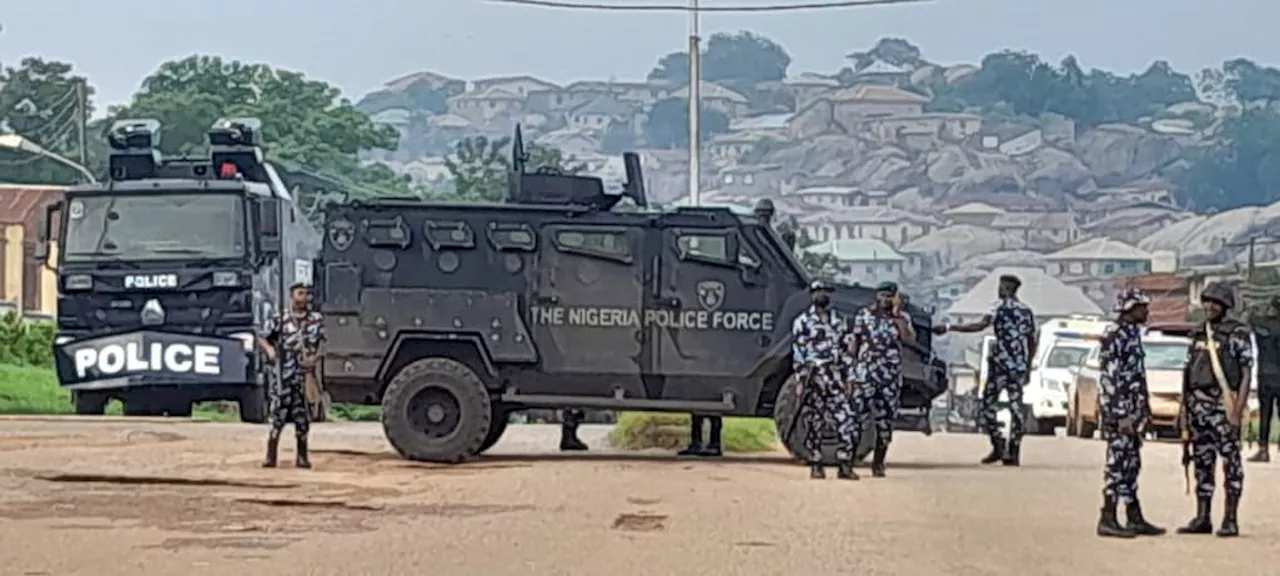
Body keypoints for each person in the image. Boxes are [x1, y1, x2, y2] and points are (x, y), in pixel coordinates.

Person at [934, 274, 1036, 466]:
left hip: (1000, 365)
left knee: (988, 407)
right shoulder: (1026, 311)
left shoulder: (998, 307)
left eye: (1001, 287)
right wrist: (1028, 365)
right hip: (1018, 365)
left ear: (1006, 288)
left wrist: (949, 327)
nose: (999, 290)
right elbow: (1031, 340)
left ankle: (999, 445)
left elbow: (979, 326)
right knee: (1017, 409)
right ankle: (1013, 451)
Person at [1177, 282, 1252, 538]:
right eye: (1206, 301)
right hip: (1197, 407)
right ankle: (1203, 517)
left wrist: (1237, 411)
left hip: (1223, 406)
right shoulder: (1198, 334)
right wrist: (1184, 410)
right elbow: (1187, 374)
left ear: (1225, 306)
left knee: (1231, 465)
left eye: (1215, 302)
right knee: (1202, 463)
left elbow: (1245, 373)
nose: (1209, 306)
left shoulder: (1237, 334)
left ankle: (1230, 519)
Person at [1095, 289, 1166, 538]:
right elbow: (1111, 379)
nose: (1146, 311)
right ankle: (1108, 516)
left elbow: (1136, 378)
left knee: (1131, 464)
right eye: (1141, 307)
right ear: (1129, 309)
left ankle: (1134, 516)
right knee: (1117, 463)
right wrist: (1121, 414)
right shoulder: (1114, 336)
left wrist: (1143, 414)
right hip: (1120, 414)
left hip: (1134, 413)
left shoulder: (1132, 334)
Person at [792, 280, 860, 480]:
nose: (823, 295)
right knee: (815, 422)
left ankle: (845, 464)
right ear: (812, 295)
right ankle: (816, 463)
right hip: (814, 378)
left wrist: (850, 377)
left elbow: (846, 351)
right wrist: (800, 380)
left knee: (848, 420)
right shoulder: (802, 322)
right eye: (818, 291)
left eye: (826, 291)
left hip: (836, 377)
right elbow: (798, 353)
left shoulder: (838, 321)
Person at [849, 281, 915, 477]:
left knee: (885, 423)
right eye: (882, 295)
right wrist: (851, 373)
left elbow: (908, 339)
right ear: (876, 296)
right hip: (865, 375)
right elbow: (854, 344)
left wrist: (897, 316)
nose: (884, 299)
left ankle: (878, 463)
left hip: (889, 378)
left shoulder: (902, 318)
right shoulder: (864, 315)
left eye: (889, 296)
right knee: (855, 418)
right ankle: (848, 462)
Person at [258, 283, 325, 469]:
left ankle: (302, 456)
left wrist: (314, 358)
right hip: (282, 375)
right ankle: (271, 456)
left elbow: (322, 344)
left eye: (307, 294)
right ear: (292, 296)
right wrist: (270, 351)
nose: (304, 297)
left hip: (304, 376)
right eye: (300, 293)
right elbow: (262, 337)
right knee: (277, 414)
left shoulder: (316, 320)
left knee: (302, 416)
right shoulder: (280, 318)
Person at [1247, 296, 1280, 463]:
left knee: (1265, 415)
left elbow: (1251, 321)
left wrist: (1253, 308)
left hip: (1266, 376)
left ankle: (1263, 450)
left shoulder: (1264, 326)